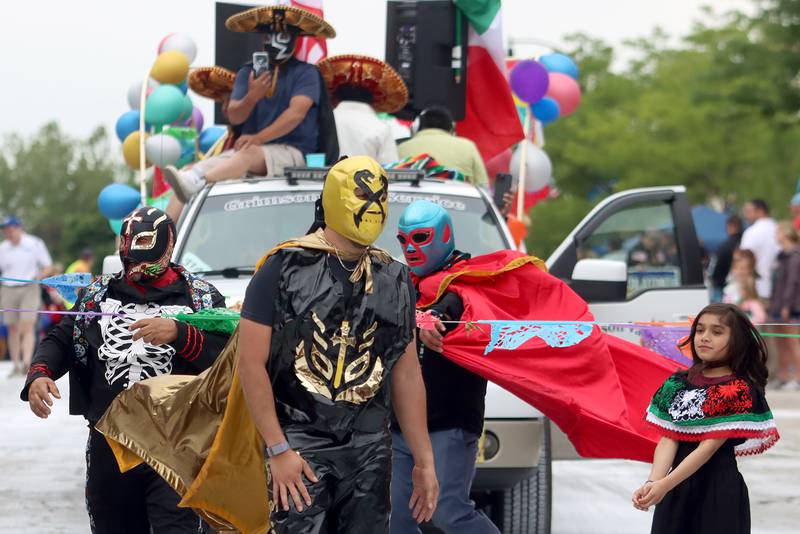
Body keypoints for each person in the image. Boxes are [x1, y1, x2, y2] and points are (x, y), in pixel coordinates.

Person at [234, 156, 438, 533]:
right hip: (300, 442)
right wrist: (279, 449)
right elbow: (249, 364)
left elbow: (406, 373)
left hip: (369, 449)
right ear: (335, 196)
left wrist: (424, 460)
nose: (372, 205)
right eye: (361, 193)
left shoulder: (394, 277)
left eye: (380, 195)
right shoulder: (282, 267)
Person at [20, 207, 230, 533]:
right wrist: (40, 373)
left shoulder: (200, 297)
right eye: (129, 262)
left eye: (143, 261)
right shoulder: (98, 295)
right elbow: (61, 338)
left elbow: (226, 360)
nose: (135, 270)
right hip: (111, 444)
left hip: (177, 445)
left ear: (168, 248)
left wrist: (180, 333)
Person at [391, 200, 499, 534]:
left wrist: (430, 318)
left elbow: (454, 302)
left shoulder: (469, 280)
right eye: (404, 240)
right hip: (400, 421)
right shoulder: (398, 280)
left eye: (421, 238)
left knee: (448, 510)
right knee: (397, 516)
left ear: (444, 234)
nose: (411, 248)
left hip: (448, 421)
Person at [164, 4, 337, 202]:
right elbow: (235, 115)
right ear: (262, 37)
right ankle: (168, 226)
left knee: (244, 156)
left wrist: (258, 138)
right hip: (247, 152)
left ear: (295, 37)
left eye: (283, 34)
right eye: (269, 34)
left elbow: (295, 114)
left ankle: (200, 182)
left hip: (292, 152)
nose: (275, 39)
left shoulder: (307, 73)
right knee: (187, 176)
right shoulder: (247, 72)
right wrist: (252, 96)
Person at [632, 303, 779, 534]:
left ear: (737, 340)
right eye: (700, 330)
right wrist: (653, 483)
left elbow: (708, 448)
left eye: (717, 332)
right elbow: (669, 439)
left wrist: (665, 485)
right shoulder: (677, 383)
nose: (704, 338)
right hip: (675, 490)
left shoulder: (737, 388)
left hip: (718, 493)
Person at [317, 54, 406, 164]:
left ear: (335, 95)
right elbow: (390, 170)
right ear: (375, 98)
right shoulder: (381, 128)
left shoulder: (321, 121)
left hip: (326, 180)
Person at [0, 216, 52, 376]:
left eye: (11, 229)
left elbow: (48, 266)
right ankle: (15, 365)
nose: (8, 233)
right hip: (8, 287)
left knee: (27, 325)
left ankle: (27, 363)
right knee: (12, 327)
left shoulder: (34, 243)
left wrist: (39, 277)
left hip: (29, 286)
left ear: (19, 228)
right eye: (5, 230)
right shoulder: (3, 247)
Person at [398, 106, 488, 186]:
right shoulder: (468, 146)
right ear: (452, 128)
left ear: (415, 127)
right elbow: (483, 186)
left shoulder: (401, 147)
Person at [769, 221, 800, 390]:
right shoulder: (781, 255)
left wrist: (787, 305)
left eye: (778, 232)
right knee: (780, 342)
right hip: (778, 304)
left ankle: (797, 377)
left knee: (792, 341)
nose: (775, 235)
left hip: (791, 306)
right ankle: (784, 376)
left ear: (786, 233)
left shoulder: (794, 256)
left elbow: (793, 283)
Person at [740, 199, 780, 300]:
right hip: (778, 289)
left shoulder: (751, 232)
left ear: (760, 211)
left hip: (756, 289)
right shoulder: (779, 229)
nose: (746, 215)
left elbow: (742, 259)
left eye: (749, 212)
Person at [709, 215, 743, 302]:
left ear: (730, 226)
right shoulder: (745, 241)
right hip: (742, 286)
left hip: (723, 286)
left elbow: (715, 267)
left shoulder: (725, 246)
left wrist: (714, 280)